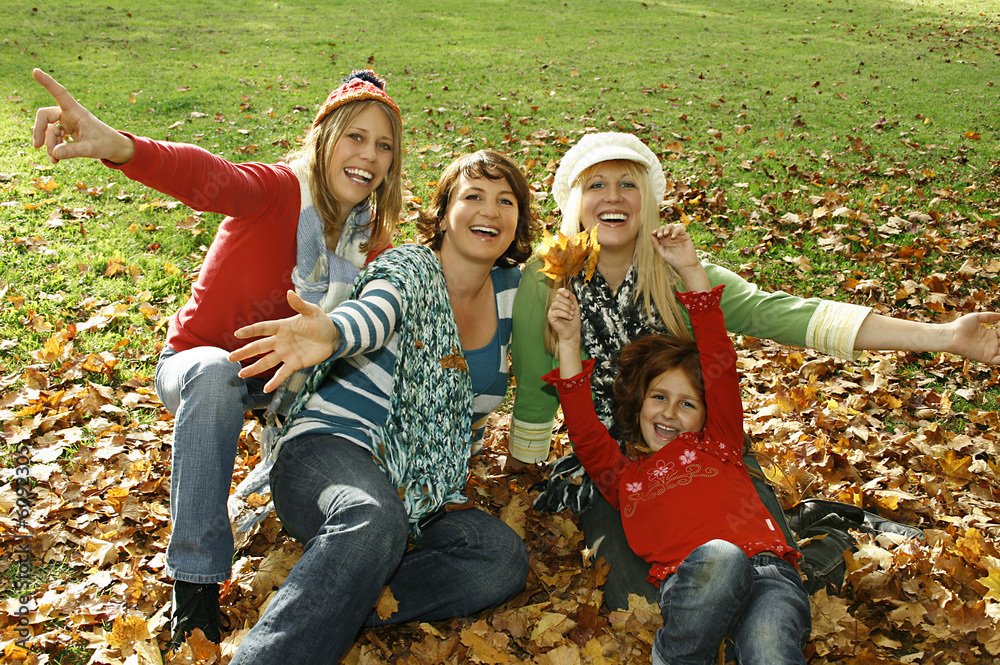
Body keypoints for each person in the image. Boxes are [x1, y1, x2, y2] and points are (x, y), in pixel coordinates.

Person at [509, 132, 1000, 610]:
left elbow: (787, 315)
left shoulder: (677, 272)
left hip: (709, 453)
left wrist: (945, 336)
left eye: (627, 183)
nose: (612, 197)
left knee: (775, 584)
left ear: (648, 199)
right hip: (613, 469)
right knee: (646, 603)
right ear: (574, 199)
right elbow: (535, 380)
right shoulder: (548, 276)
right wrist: (520, 464)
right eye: (596, 184)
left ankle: (827, 532)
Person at [30, 68, 405, 647]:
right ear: (324, 138)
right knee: (213, 373)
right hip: (199, 365)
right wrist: (120, 147)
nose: (369, 156)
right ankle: (196, 588)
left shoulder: (367, 241)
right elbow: (207, 176)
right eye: (355, 137)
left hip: (284, 387)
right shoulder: (277, 190)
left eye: (383, 145)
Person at [224, 149, 539, 664]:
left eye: (506, 201)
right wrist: (332, 330)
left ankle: (333, 598)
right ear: (443, 214)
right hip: (329, 452)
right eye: (474, 196)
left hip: (425, 489)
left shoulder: (515, 294)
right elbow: (375, 309)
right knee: (372, 515)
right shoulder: (408, 266)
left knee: (499, 561)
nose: (491, 211)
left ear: (517, 222)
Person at [545, 223, 810, 665]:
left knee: (771, 649)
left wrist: (690, 270)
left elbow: (719, 363)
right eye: (659, 398)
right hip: (696, 583)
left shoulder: (720, 445)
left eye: (687, 403)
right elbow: (585, 431)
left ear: (707, 416)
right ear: (638, 404)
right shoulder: (624, 479)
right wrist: (569, 343)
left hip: (768, 572)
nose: (669, 412)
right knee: (721, 558)